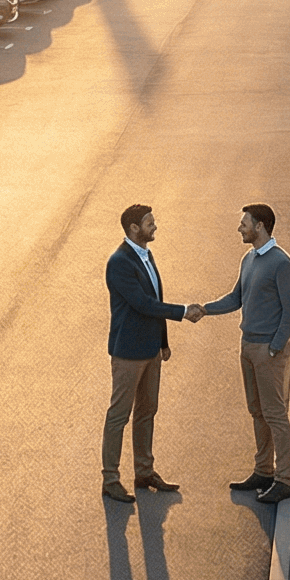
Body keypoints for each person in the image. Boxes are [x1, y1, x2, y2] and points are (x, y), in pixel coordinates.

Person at [199, 203, 290, 505]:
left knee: (275, 414)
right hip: (248, 345)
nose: (240, 228)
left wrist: (275, 347)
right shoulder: (249, 259)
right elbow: (236, 298)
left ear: (260, 226)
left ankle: (284, 479)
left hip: (267, 351)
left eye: (245, 223)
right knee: (257, 411)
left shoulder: (282, 264)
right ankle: (263, 470)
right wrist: (204, 309)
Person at [103, 204, 196, 504]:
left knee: (147, 412)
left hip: (151, 350)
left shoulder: (146, 255)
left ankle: (144, 471)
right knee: (119, 415)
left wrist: (163, 342)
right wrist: (182, 312)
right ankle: (111, 479)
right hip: (129, 353)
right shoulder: (119, 262)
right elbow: (143, 304)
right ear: (133, 228)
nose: (154, 226)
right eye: (149, 223)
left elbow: (156, 297)